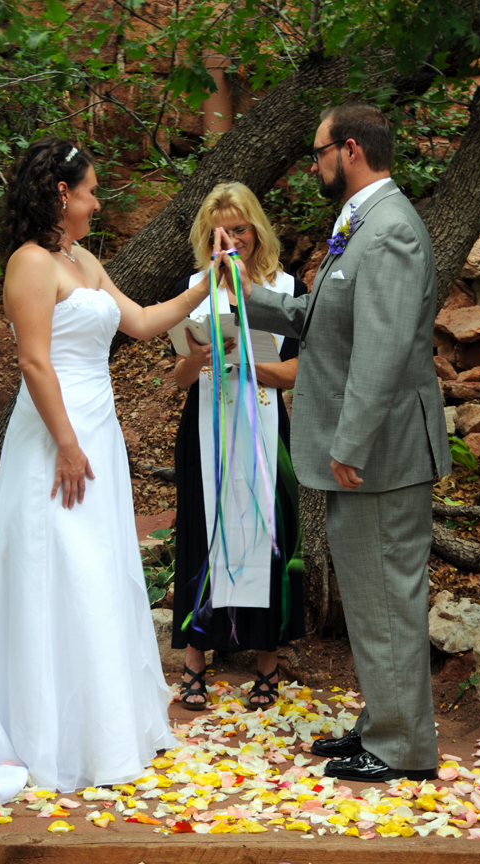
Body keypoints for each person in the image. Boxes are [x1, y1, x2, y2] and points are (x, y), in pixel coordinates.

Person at [0, 136, 214, 803]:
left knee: (97, 569)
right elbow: (34, 360)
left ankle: (98, 730)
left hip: (97, 434)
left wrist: (210, 283)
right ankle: (41, 734)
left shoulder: (83, 259)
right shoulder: (30, 264)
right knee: (56, 567)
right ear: (62, 193)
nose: (97, 203)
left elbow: (140, 321)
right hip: (54, 437)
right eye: (90, 191)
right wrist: (65, 442)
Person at [216, 104, 451, 781]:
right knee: (372, 594)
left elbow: (382, 349)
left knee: (387, 594)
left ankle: (403, 749)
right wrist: (242, 288)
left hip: (382, 453)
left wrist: (350, 442)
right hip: (370, 453)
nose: (313, 165)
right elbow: (322, 319)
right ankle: (385, 724)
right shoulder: (361, 222)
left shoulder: (392, 229)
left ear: (349, 149)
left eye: (318, 152)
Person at [170, 182, 305, 711]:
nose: (229, 241)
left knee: (266, 534)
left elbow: (298, 371)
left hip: (265, 426)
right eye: (218, 233)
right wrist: (197, 358)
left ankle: (266, 662)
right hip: (205, 426)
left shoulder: (286, 287)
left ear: (257, 230)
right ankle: (194, 660)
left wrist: (249, 364)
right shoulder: (193, 287)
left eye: (239, 230)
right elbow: (180, 378)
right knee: (203, 533)